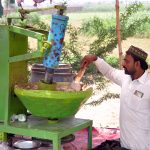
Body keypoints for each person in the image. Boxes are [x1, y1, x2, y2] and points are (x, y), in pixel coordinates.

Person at [81, 45, 150, 150]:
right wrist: (95, 58)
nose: (123, 64)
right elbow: (110, 72)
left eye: (127, 62)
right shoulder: (126, 78)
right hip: (124, 145)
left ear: (137, 64)